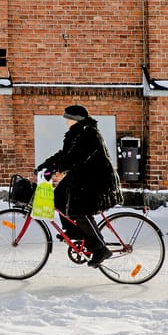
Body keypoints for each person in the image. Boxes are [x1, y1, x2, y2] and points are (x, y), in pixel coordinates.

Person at [35, 104, 123, 267]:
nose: (66, 122)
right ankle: (74, 231)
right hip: (82, 176)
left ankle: (100, 248)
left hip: (97, 179)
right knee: (58, 196)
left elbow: (76, 156)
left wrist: (56, 168)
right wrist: (46, 165)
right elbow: (64, 154)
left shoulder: (88, 133)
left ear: (75, 120)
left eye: (67, 119)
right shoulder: (75, 134)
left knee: (79, 210)